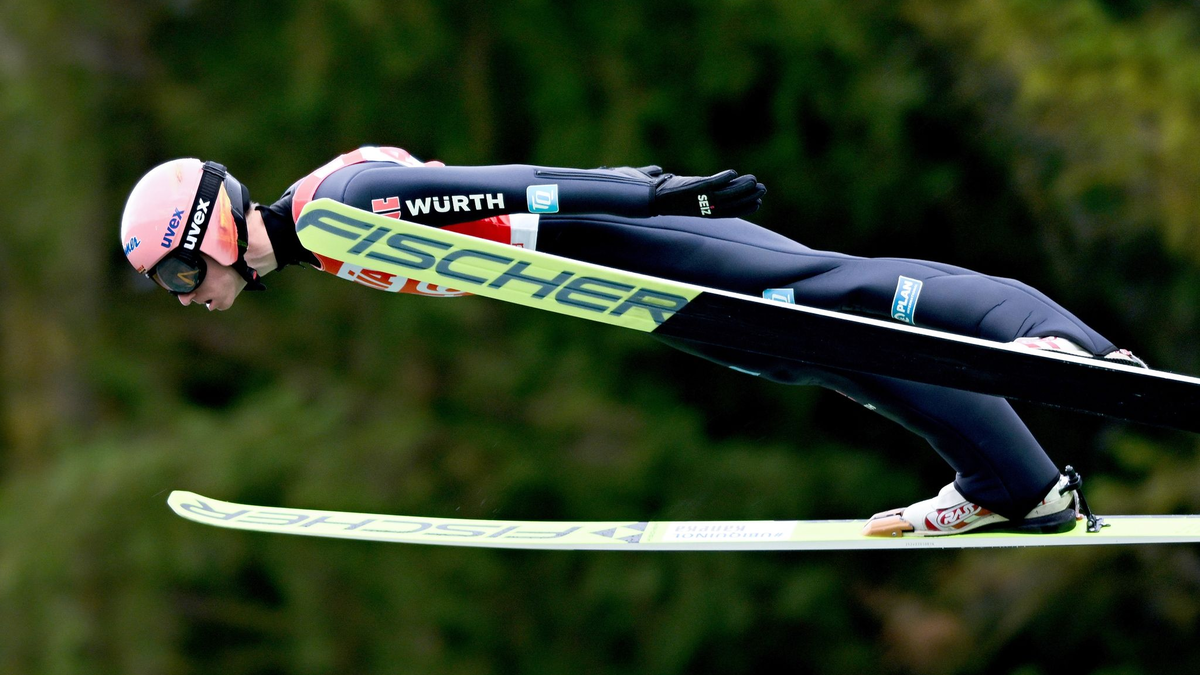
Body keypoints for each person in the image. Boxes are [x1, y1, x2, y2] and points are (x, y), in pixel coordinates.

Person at [119, 146, 1141, 537]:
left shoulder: (341, 208)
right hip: (620, 286)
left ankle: (1061, 340)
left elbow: (516, 188)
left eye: (178, 275)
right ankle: (1018, 485)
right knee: (823, 352)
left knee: (850, 295)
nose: (185, 298)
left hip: (628, 240)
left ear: (212, 232)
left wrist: (658, 194)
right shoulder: (323, 239)